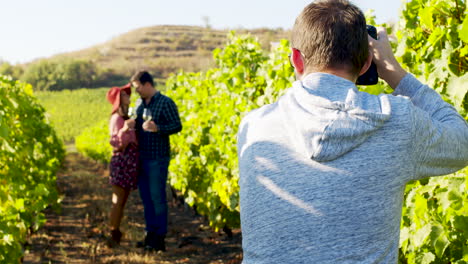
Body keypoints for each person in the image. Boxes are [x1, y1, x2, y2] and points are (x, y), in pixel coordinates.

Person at [236, 0, 468, 263]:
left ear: (296, 59)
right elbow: (463, 142)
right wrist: (394, 72)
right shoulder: (397, 120)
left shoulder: (253, 127)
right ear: (367, 63)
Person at [128, 71, 182, 252]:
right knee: (146, 198)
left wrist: (158, 128)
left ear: (147, 84)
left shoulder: (166, 102)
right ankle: (150, 234)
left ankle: (160, 238)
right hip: (141, 158)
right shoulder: (139, 105)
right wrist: (131, 125)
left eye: (138, 88)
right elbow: (137, 124)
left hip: (158, 158)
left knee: (158, 198)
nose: (136, 92)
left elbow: (177, 126)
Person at [106, 84, 139, 247]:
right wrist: (125, 130)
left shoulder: (126, 116)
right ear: (119, 99)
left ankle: (116, 232)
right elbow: (115, 143)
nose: (129, 96)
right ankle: (113, 233)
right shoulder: (117, 119)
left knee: (123, 200)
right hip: (121, 162)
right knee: (118, 199)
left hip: (129, 162)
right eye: (125, 95)